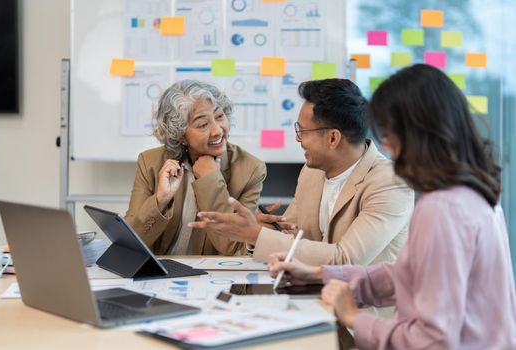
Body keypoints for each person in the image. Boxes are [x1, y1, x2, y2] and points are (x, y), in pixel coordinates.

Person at [268, 64, 516, 349]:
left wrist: (353, 318)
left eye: (389, 135)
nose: (387, 146)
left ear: (415, 135)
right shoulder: (470, 193)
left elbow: (434, 340)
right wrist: (321, 275)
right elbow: (407, 274)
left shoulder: (442, 209)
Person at [189, 78, 414, 266]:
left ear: (333, 138)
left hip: (359, 310)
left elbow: (345, 260)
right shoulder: (312, 171)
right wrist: (260, 230)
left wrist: (255, 235)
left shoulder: (392, 183)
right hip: (309, 296)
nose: (297, 138)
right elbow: (293, 235)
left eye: (302, 131)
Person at [125, 80, 266, 256]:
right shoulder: (151, 162)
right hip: (160, 275)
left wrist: (211, 181)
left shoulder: (250, 169)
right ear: (180, 135)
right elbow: (131, 242)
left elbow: (234, 247)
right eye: (203, 125)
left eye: (220, 116)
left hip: (214, 277)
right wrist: (160, 199)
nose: (217, 131)